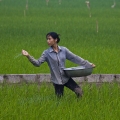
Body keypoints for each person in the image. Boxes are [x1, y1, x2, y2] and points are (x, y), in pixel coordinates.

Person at [22, 32, 95, 98]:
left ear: (55, 39)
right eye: (47, 39)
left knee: (79, 92)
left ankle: (78, 106)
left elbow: (75, 58)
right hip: (57, 81)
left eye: (49, 39)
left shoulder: (64, 50)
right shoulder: (46, 53)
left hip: (66, 78)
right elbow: (37, 63)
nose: (47, 41)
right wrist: (28, 56)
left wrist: (88, 64)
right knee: (59, 100)